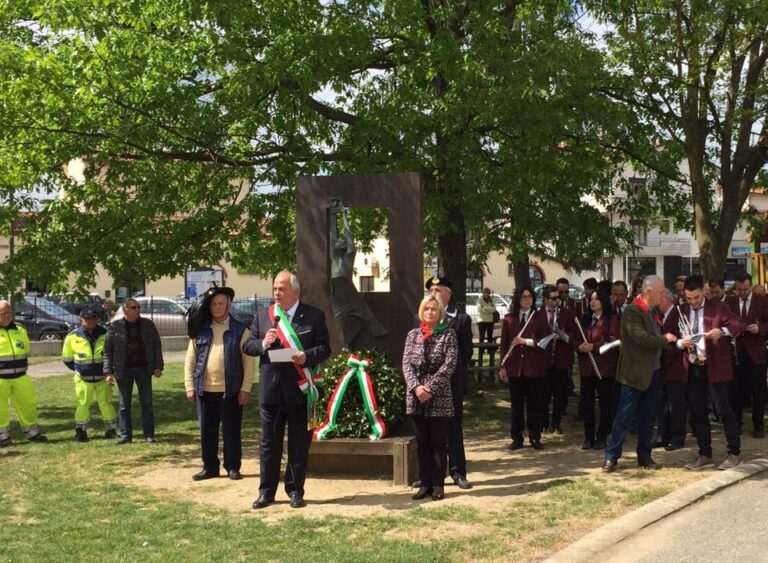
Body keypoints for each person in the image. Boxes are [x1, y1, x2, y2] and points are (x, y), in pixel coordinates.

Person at [244, 271, 330, 509]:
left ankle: (295, 490)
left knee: (298, 444)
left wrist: (307, 356)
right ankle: (266, 492)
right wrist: (263, 343)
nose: (277, 293)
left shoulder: (313, 316)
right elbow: (248, 346)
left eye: (282, 289)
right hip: (271, 392)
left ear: (295, 291)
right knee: (268, 443)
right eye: (274, 289)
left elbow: (324, 348)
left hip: (299, 391)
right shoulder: (264, 316)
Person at [602, 276, 677, 473]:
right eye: (661, 291)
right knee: (624, 416)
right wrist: (664, 339)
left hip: (654, 372)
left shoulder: (653, 311)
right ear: (649, 292)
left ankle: (644, 456)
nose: (663, 295)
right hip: (634, 374)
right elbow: (641, 338)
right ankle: (611, 456)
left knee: (648, 416)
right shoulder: (632, 311)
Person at [184, 287, 255, 481]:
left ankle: (232, 466)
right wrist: (190, 386)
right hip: (204, 390)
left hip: (231, 391)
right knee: (207, 431)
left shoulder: (241, 330)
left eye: (221, 303)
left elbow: (249, 362)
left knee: (231, 432)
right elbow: (191, 359)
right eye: (214, 304)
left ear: (228, 305)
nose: (217, 307)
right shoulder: (200, 329)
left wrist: (245, 388)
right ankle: (210, 467)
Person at [679, 275, 745, 470]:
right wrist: (679, 342)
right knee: (698, 412)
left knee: (723, 409)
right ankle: (704, 453)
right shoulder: (681, 309)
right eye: (689, 298)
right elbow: (672, 334)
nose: (692, 302)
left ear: (703, 292)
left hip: (715, 365)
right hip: (693, 365)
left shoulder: (717, 307)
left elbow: (738, 323)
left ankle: (735, 452)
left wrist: (722, 331)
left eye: (696, 298)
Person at [403, 294, 457, 501]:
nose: (430, 312)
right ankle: (424, 483)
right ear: (421, 312)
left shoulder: (448, 334)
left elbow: (449, 364)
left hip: (439, 395)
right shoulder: (412, 334)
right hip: (416, 397)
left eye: (434, 309)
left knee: (438, 442)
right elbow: (406, 364)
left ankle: (437, 484)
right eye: (426, 309)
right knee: (422, 441)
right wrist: (417, 388)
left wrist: (430, 388)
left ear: (440, 312)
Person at [425, 276, 473, 489]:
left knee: (452, 428)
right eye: (431, 289)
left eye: (438, 289)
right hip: (426, 385)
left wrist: (445, 374)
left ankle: (457, 472)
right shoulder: (421, 318)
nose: (433, 293)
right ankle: (431, 475)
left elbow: (466, 353)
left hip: (451, 383)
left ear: (449, 294)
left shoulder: (460, 320)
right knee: (428, 429)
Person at [104, 297, 164, 444]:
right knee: (124, 404)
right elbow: (107, 351)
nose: (137, 310)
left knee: (147, 402)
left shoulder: (147, 325)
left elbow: (156, 345)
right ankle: (125, 435)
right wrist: (107, 372)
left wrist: (158, 366)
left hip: (143, 369)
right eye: (133, 308)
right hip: (123, 370)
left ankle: (148, 435)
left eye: (138, 307)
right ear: (125, 310)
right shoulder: (115, 327)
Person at [499, 286, 549, 450]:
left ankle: (535, 437)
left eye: (529, 297)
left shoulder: (540, 318)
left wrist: (525, 341)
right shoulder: (509, 319)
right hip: (515, 368)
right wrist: (503, 366)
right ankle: (517, 438)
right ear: (518, 299)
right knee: (516, 406)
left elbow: (544, 341)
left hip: (533, 368)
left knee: (534, 405)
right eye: (523, 297)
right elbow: (504, 344)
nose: (527, 299)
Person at [62, 306, 117, 442]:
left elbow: (113, 355)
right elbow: (67, 359)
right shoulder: (72, 337)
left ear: (97, 319)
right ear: (81, 320)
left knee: (106, 403)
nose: (90, 321)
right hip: (83, 379)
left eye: (93, 318)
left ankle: (110, 429)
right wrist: (80, 369)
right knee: (82, 403)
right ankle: (81, 431)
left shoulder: (106, 334)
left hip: (102, 378)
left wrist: (108, 372)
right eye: (87, 319)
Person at [576, 290, 620, 450]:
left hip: (605, 367)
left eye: (596, 299)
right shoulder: (585, 319)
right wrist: (580, 346)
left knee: (605, 404)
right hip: (587, 367)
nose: (592, 302)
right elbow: (576, 338)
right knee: (587, 403)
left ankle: (602, 436)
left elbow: (613, 340)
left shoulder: (612, 319)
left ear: (603, 301)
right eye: (591, 300)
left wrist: (594, 346)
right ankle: (588, 437)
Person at [0, 300, 47, 446]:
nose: (5, 315)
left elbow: (25, 349)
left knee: (28, 404)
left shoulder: (20, 330)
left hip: (21, 376)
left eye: (7, 312)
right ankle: (3, 436)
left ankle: (32, 432)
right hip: (0, 378)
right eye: (1, 313)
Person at [727, 272, 768, 438]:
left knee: (758, 390)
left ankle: (758, 425)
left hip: (756, 352)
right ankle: (736, 423)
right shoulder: (731, 302)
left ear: (750, 286)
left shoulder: (762, 302)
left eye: (745, 289)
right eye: (739, 290)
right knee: (736, 390)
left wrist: (760, 329)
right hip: (737, 352)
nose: (742, 293)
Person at [653, 289, 687, 451]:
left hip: (676, 365)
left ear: (666, 299)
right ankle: (662, 435)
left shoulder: (678, 314)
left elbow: (681, 340)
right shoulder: (659, 316)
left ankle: (677, 436)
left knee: (676, 404)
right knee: (661, 403)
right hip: (662, 366)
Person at [541, 285, 575, 434]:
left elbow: (574, 334)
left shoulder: (566, 314)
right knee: (543, 393)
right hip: (543, 360)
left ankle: (556, 422)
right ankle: (543, 422)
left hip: (561, 359)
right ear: (545, 299)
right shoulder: (538, 314)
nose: (557, 301)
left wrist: (563, 334)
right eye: (553, 298)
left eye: (558, 298)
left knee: (559, 393)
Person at [476, 287, 497, 357]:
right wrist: (489, 310)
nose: (486, 294)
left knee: (490, 336)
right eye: (485, 292)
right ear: (483, 293)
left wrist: (485, 308)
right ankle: (481, 351)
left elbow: (494, 309)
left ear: (489, 293)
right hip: (481, 321)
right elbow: (479, 309)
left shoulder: (491, 300)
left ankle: (490, 350)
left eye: (487, 293)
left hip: (490, 321)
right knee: (481, 336)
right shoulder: (480, 300)